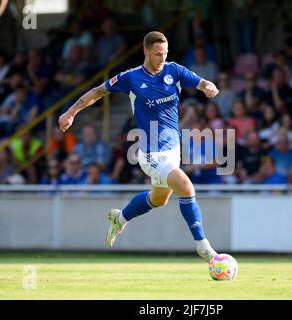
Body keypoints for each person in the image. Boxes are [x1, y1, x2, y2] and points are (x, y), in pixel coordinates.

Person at [58, 31, 220, 262]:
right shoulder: (131, 77)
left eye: (165, 53)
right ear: (145, 51)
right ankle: (204, 247)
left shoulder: (174, 70)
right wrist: (71, 112)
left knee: (158, 200)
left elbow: (200, 81)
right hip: (151, 153)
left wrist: (208, 85)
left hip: (173, 151)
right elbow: (98, 92)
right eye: (157, 54)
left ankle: (120, 219)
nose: (162, 58)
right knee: (186, 186)